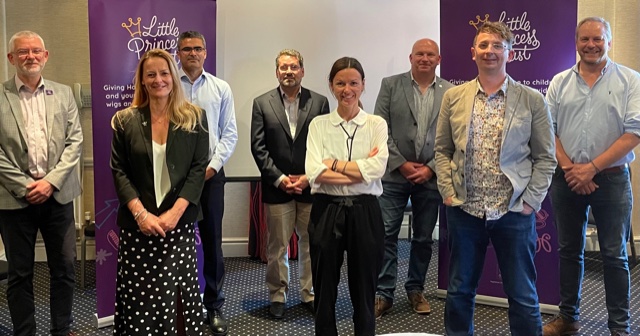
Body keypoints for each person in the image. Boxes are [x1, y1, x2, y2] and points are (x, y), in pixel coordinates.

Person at [434, 21, 556, 336]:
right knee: (460, 290)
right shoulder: (454, 97)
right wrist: (448, 191)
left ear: (510, 53)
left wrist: (530, 202)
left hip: (513, 212)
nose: (491, 51)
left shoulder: (531, 99)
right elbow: (442, 151)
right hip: (465, 210)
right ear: (473, 52)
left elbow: (546, 158)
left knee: (522, 294)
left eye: (498, 46)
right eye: (484, 45)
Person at [542, 17, 640, 336]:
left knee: (614, 255)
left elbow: (634, 132)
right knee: (570, 250)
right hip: (566, 178)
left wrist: (591, 167)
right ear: (576, 42)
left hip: (612, 180)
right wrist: (573, 169)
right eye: (585, 39)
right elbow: (548, 130)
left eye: (598, 39)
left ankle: (619, 328)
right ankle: (568, 318)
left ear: (608, 42)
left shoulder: (630, 80)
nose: (591, 45)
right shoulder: (559, 82)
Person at [110, 48, 210, 335]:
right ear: (142, 80)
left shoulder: (195, 118)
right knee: (140, 295)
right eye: (150, 74)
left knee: (176, 293)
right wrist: (142, 216)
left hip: (177, 224)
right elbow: (119, 171)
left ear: (173, 78)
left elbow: (197, 170)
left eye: (164, 73)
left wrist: (174, 214)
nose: (158, 80)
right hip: (138, 225)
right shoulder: (124, 120)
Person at [0, 31, 83, 336]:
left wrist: (50, 182)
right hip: (13, 200)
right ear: (11, 58)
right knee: (20, 273)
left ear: (46, 56)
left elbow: (75, 142)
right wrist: (25, 185)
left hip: (58, 197)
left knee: (64, 270)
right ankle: (25, 332)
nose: (30, 56)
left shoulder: (63, 94)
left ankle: (61, 330)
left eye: (36, 51)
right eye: (23, 52)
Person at [305, 57, 389, 336]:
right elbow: (314, 172)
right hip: (326, 210)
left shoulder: (376, 124)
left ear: (363, 85)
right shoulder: (318, 124)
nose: (347, 89)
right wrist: (359, 171)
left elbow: (377, 170)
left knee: (365, 289)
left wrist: (335, 164)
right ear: (331, 86)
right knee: (325, 287)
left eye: (353, 82)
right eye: (340, 83)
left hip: (366, 211)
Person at [373, 38, 454, 318]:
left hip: (431, 178)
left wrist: (430, 167)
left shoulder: (451, 92)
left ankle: (415, 289)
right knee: (386, 235)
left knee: (422, 238)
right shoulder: (390, 85)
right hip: (395, 176)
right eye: (420, 53)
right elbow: (380, 128)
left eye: (430, 54)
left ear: (438, 59)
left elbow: (454, 136)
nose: (425, 58)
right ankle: (384, 293)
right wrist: (402, 164)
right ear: (411, 57)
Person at [250, 49, 330, 319]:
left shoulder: (319, 102)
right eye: (283, 67)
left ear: (302, 71)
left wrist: (308, 178)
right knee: (277, 246)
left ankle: (310, 293)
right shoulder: (262, 103)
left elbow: (325, 145)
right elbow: (258, 148)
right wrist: (281, 179)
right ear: (277, 72)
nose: (288, 72)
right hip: (277, 187)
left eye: (294, 67)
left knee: (311, 244)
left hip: (311, 185)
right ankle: (277, 294)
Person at [177, 30, 238, 336]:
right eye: (186, 48)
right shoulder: (167, 84)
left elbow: (230, 134)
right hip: (173, 179)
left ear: (205, 52)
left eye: (197, 48)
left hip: (211, 178)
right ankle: (180, 306)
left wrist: (212, 168)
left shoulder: (220, 88)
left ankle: (213, 307)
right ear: (179, 52)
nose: (192, 53)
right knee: (174, 243)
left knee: (212, 242)